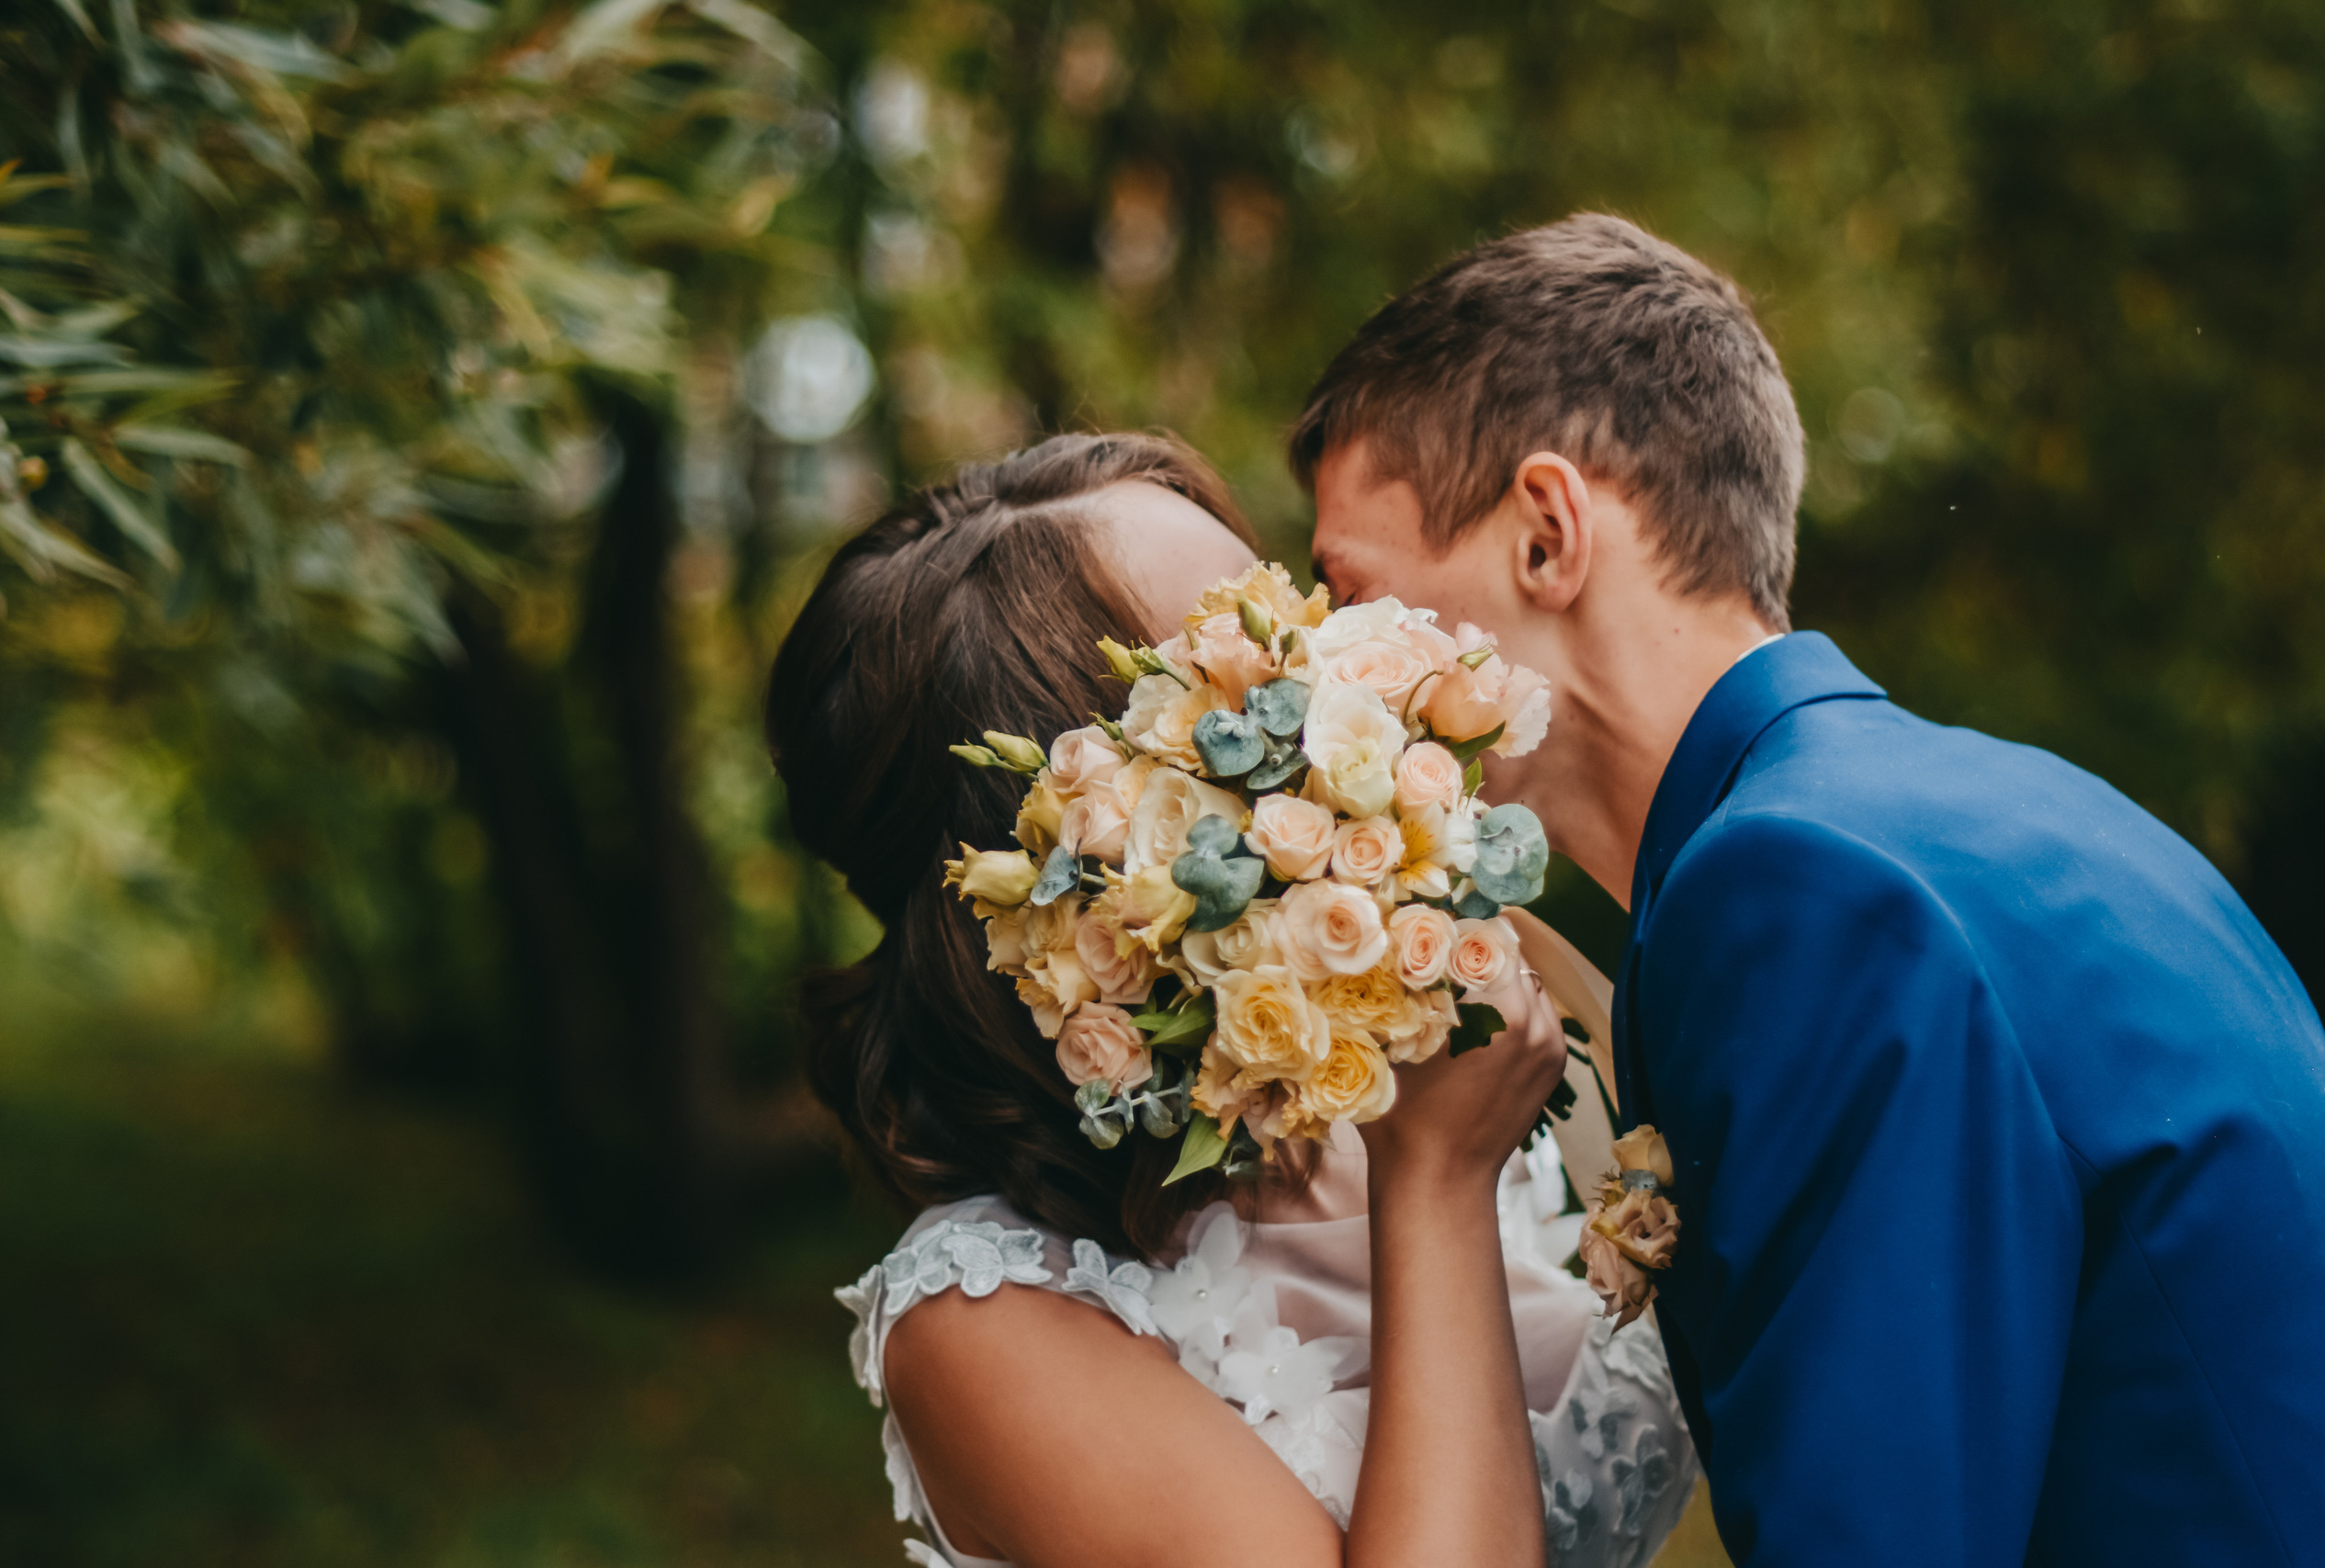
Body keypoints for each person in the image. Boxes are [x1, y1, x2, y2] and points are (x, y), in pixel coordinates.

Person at [1295, 212, 2325, 1564]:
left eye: (1347, 596)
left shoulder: (1801, 891)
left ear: (1547, 534)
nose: (1319, 676)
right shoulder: (1962, 810)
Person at [768, 433, 1699, 1568]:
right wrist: (1437, 1183)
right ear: (1102, 848)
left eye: (1295, 617)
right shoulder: (986, 1321)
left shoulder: (1429, 1092)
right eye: (1253, 672)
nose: (1340, 670)